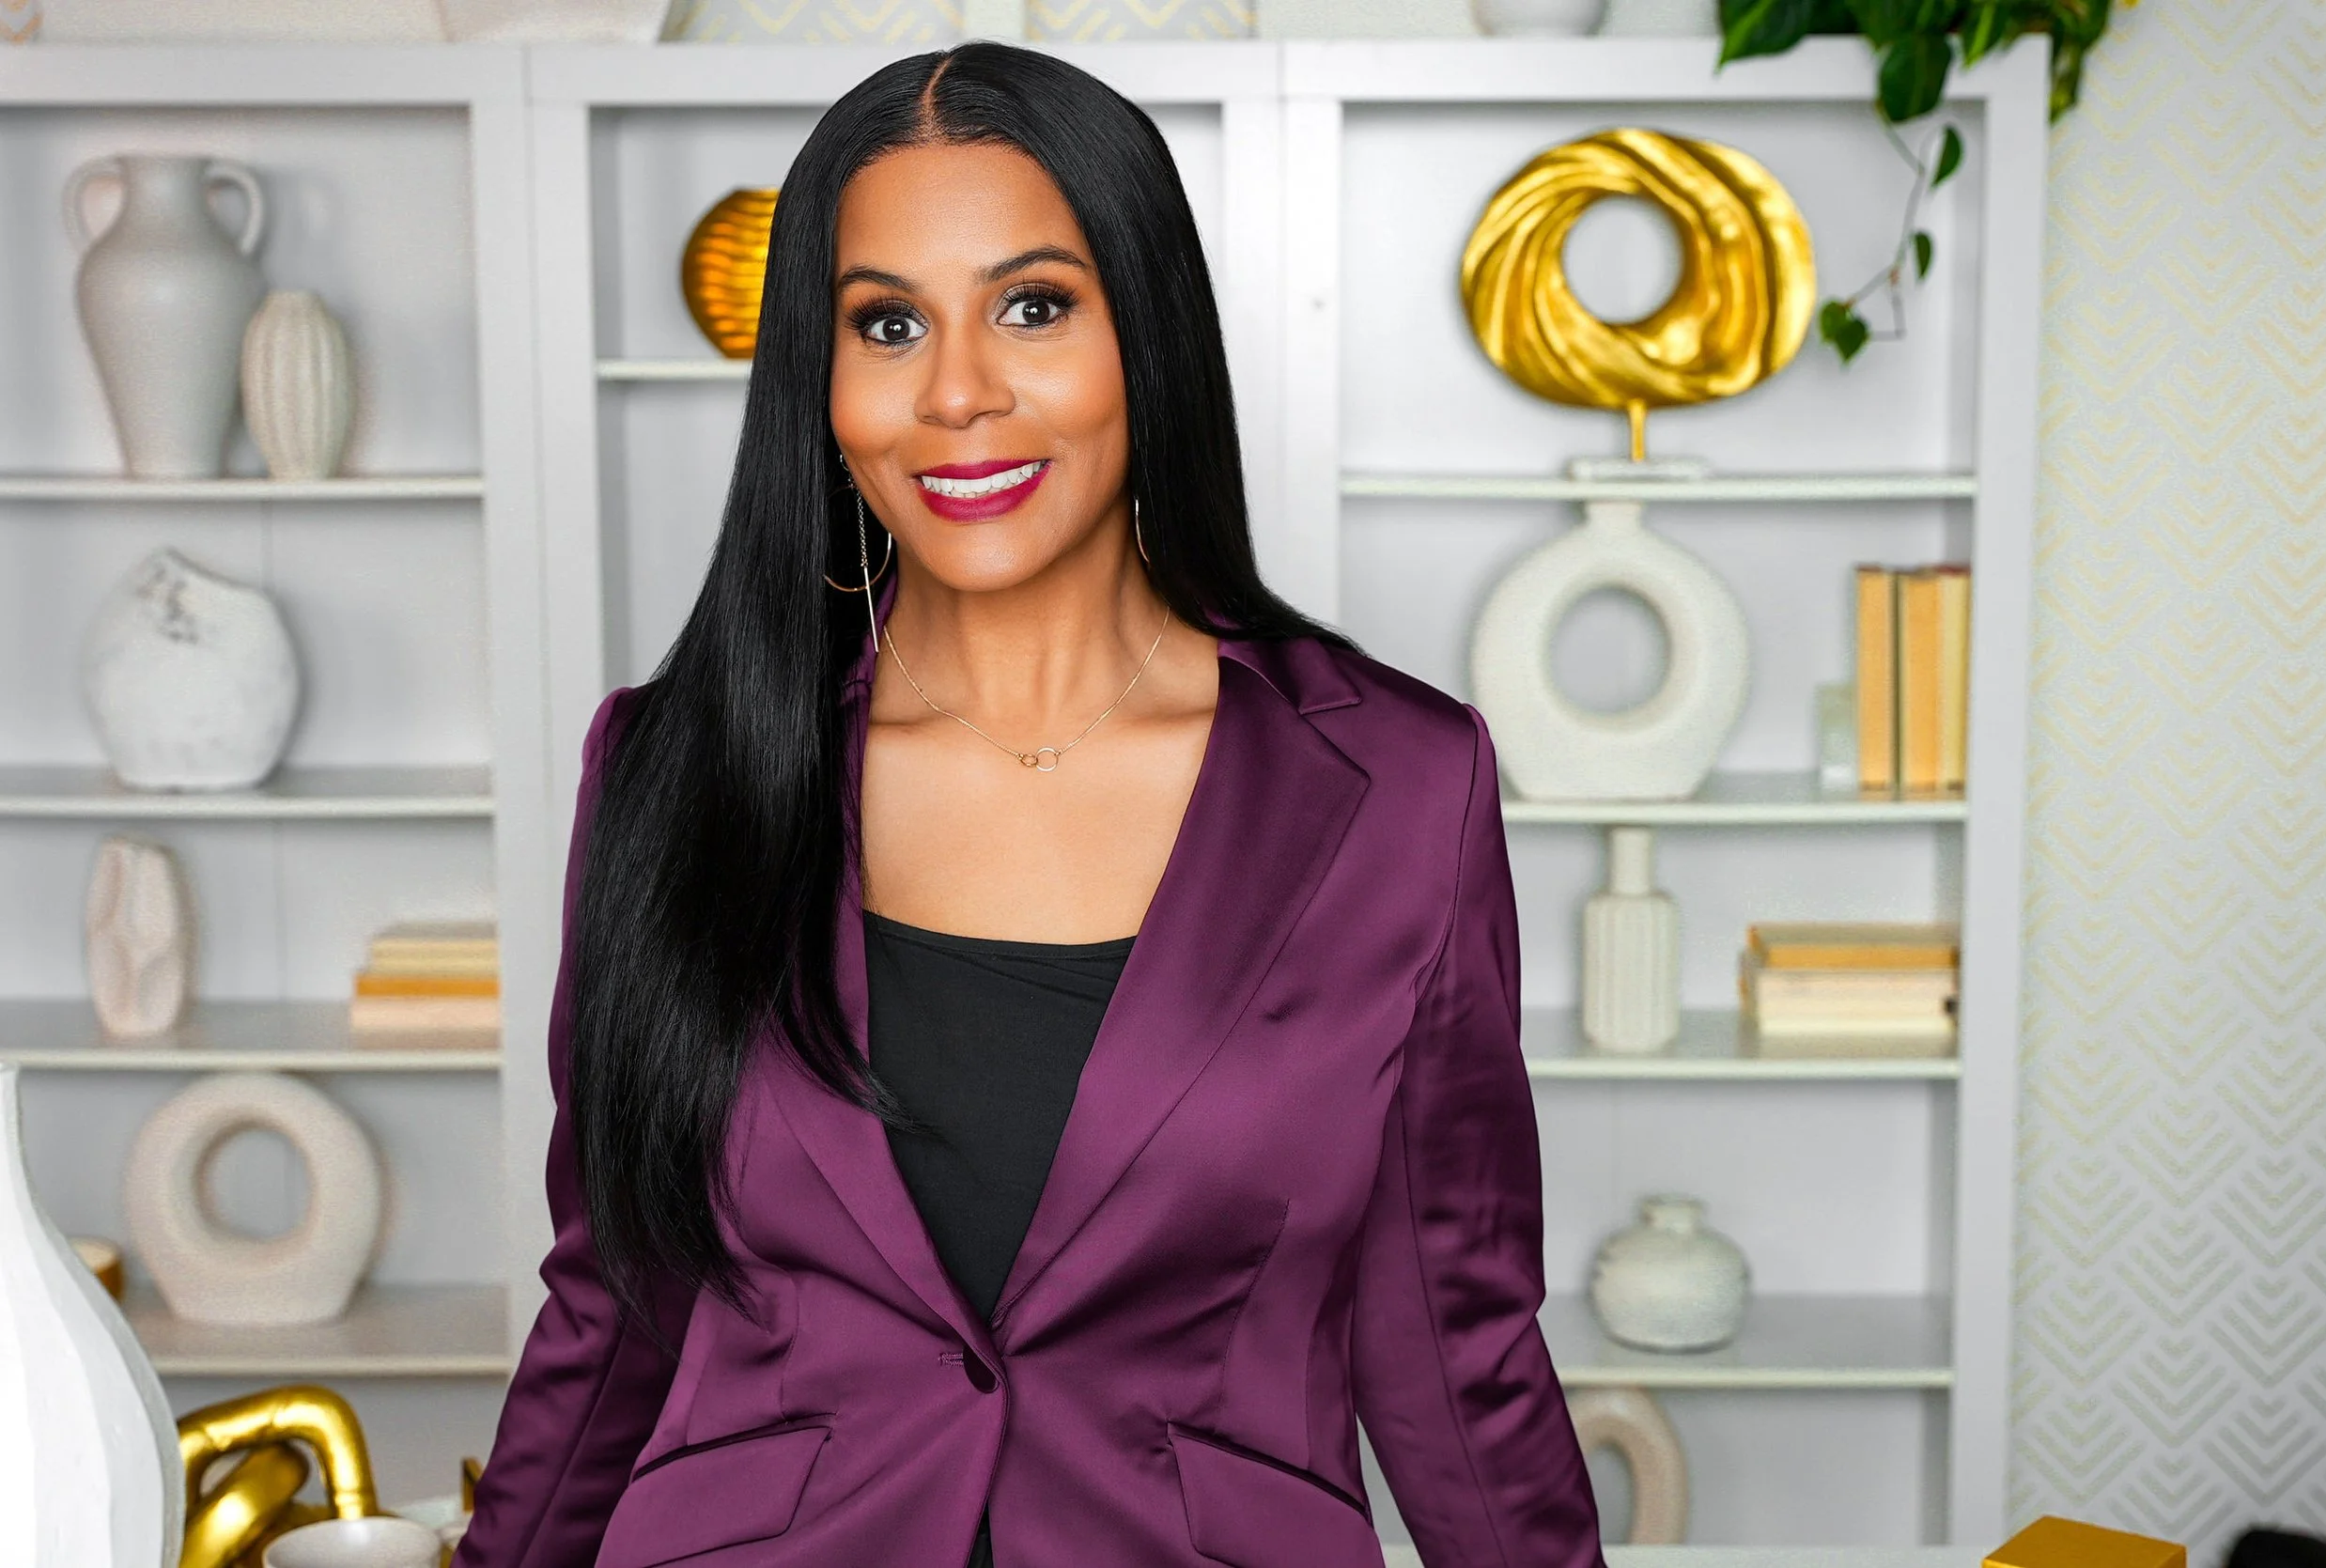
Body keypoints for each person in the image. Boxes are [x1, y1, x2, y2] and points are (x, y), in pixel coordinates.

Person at [454, 40, 1602, 1568]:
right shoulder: (673, 765)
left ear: (1151, 335)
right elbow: (614, 1307)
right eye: (887, 323)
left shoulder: (1396, 784)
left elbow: (1456, 1344)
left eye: (1035, 306)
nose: (958, 393)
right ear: (824, 377)